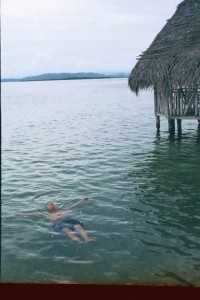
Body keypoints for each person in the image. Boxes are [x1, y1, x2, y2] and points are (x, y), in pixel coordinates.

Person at [18, 196, 95, 244]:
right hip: (58, 222)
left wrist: (82, 200)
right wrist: (17, 214)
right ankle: (79, 241)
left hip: (68, 219)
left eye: (52, 203)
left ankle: (87, 240)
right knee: (66, 229)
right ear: (46, 207)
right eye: (49, 204)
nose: (51, 204)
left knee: (78, 226)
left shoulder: (62, 209)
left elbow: (73, 205)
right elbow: (31, 214)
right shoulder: (46, 213)